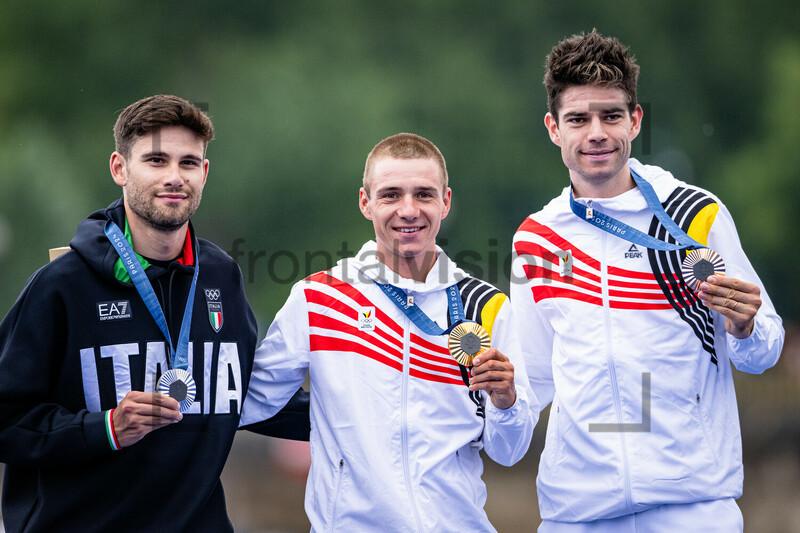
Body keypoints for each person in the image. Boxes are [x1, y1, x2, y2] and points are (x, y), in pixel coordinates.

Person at [511, 30, 785, 532]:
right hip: (578, 515)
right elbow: (531, 381)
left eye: (611, 116)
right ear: (553, 128)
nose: (596, 132)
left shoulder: (695, 214)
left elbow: (764, 350)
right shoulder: (535, 237)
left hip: (694, 505)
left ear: (635, 120)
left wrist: (746, 328)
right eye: (578, 119)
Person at [0, 94, 308, 532]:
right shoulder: (61, 285)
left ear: (203, 173)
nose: (173, 177)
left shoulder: (221, 276)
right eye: (156, 160)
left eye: (187, 163)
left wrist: (377, 410)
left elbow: (247, 398)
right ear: (119, 169)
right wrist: (105, 428)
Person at [241, 132, 537, 532]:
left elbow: (509, 452)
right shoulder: (318, 299)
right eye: (391, 195)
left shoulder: (488, 307)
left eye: (424, 195)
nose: (409, 210)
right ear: (365, 202)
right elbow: (247, 400)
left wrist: (507, 399)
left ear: (445, 202)